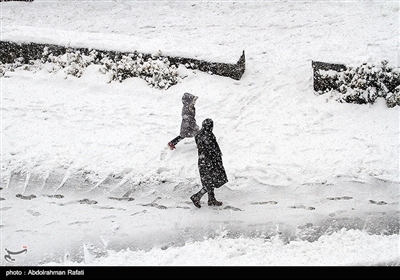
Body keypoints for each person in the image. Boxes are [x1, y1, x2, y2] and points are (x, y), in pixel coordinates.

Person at [190, 118, 228, 208]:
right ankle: (197, 196)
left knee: (209, 180)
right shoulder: (208, 135)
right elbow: (212, 150)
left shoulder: (199, 134)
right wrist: (217, 159)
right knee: (210, 182)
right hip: (210, 161)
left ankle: (211, 199)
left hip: (203, 161)